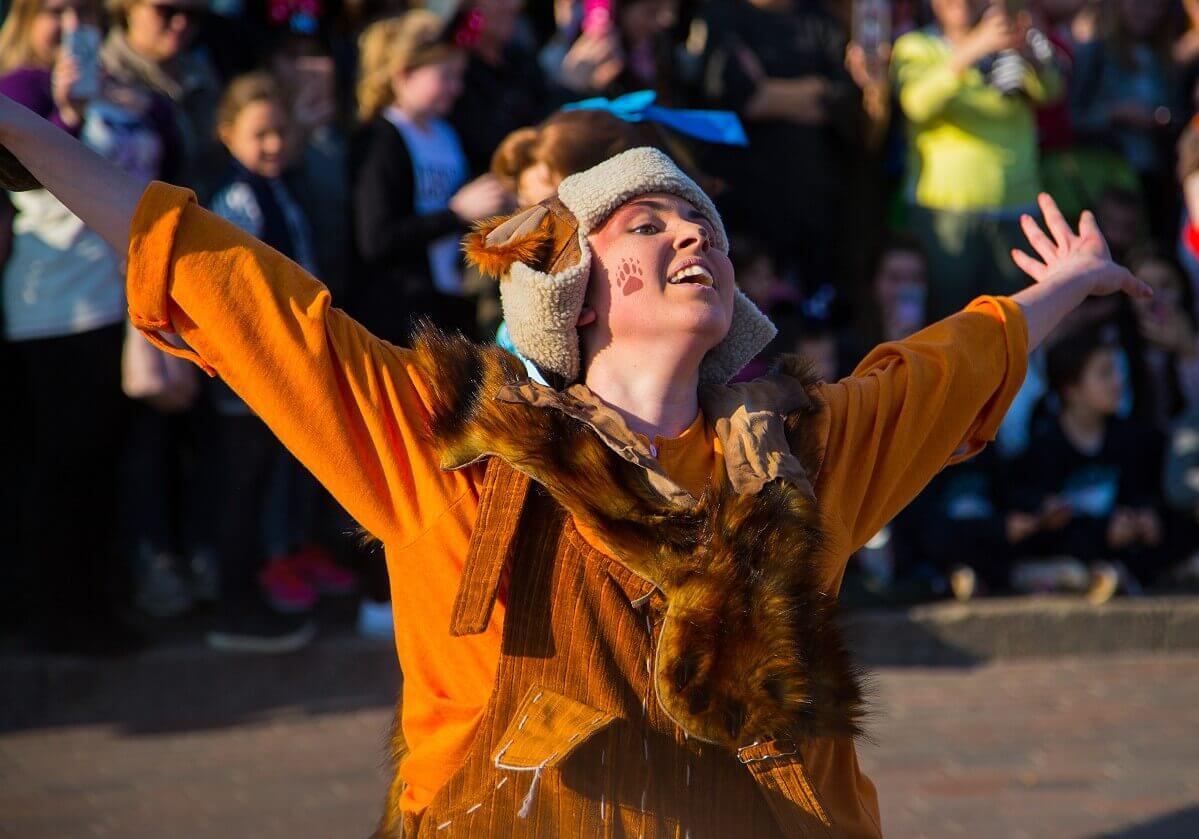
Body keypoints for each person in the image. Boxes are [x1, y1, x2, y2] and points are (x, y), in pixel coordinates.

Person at [0, 86, 1151, 833]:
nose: (691, 234)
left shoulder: (806, 455)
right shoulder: (448, 440)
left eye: (699, 223)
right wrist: (28, 133)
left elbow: (941, 367)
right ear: (575, 293)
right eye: (646, 225)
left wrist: (1059, 283)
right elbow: (235, 289)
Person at [0, 0, 180, 651]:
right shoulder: (18, 87)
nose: (69, 24)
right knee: (63, 465)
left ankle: (96, 607)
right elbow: (23, 180)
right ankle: (57, 615)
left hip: (125, 299)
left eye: (81, 11)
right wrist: (66, 113)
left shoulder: (128, 91)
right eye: (54, 10)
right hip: (53, 305)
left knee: (107, 463)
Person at [891, 0, 1063, 319]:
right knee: (945, 325)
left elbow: (1051, 91)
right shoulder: (916, 45)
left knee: (1012, 327)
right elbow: (916, 103)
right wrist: (975, 47)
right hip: (944, 215)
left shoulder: (1010, 41)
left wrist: (1029, 53)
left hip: (1016, 211)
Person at [349, 10, 509, 344]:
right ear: (404, 74)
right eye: (446, 75)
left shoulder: (447, 133)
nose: (457, 88)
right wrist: (456, 213)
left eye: (460, 76)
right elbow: (376, 238)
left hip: (447, 307)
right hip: (401, 316)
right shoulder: (381, 138)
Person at [1011, 328, 1169, 598]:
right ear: (1071, 389)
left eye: (1117, 372)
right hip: (1073, 546)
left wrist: (1143, 517)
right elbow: (1035, 512)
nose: (1117, 382)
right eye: (1104, 373)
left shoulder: (1129, 437)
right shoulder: (1045, 446)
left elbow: (1142, 493)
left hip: (1124, 546)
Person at [101, 0, 222, 196]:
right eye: (166, 11)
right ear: (129, 7)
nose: (180, 23)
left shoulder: (203, 73)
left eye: (193, 16)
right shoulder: (103, 76)